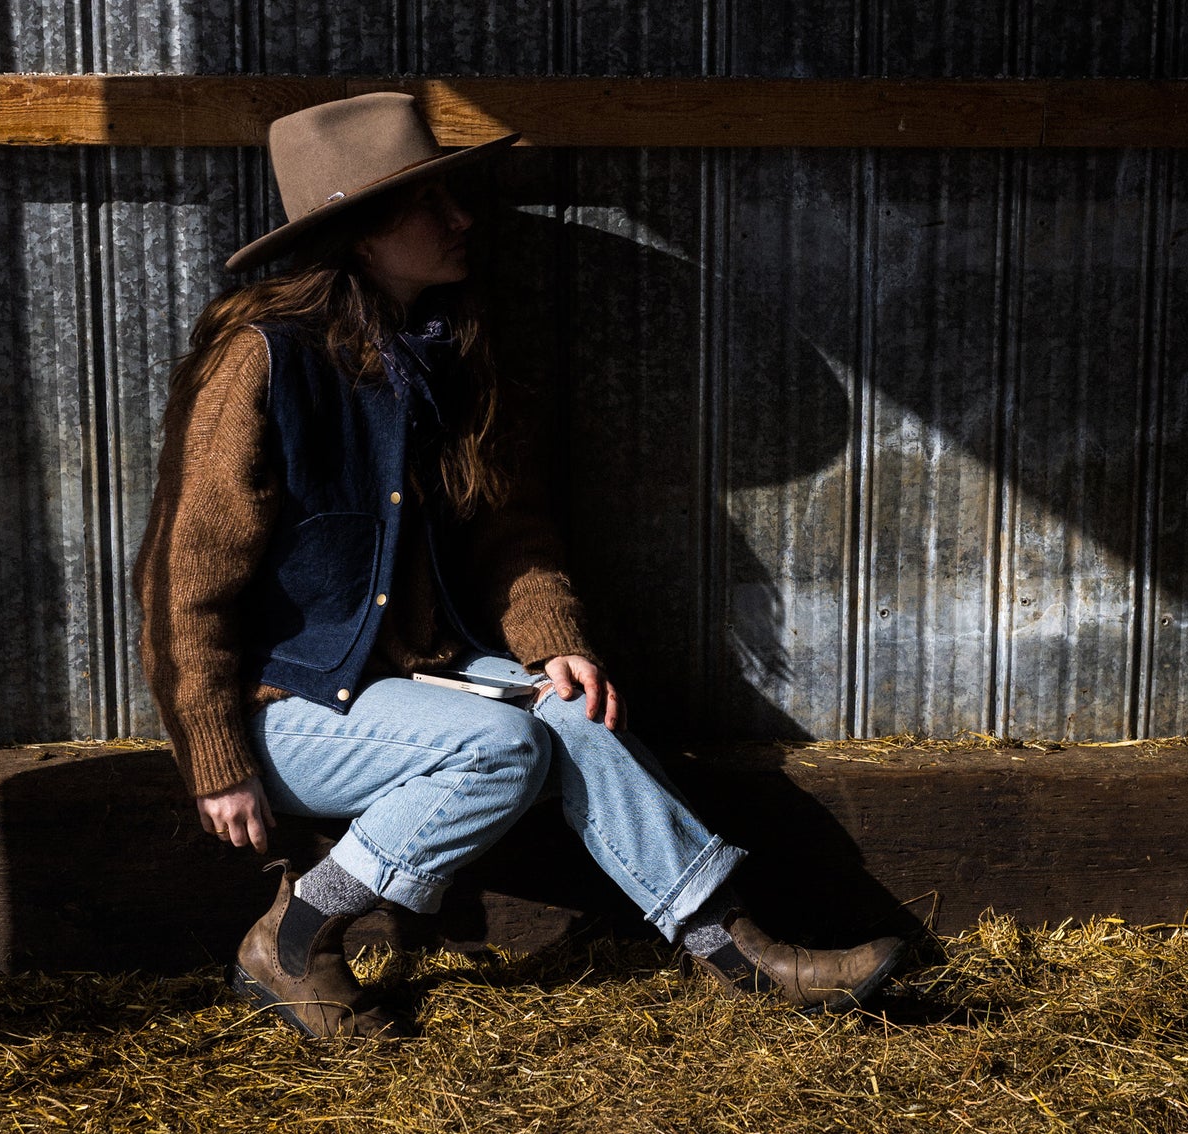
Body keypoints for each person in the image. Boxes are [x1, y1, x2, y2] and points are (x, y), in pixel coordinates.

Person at [134, 94, 901, 1041]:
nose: (463, 221)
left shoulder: (451, 352)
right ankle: (295, 933)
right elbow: (185, 581)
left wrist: (553, 644)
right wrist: (214, 757)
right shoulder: (261, 365)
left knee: (573, 716)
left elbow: (513, 533)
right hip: (287, 710)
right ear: (360, 234)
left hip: (418, 681)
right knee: (501, 749)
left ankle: (734, 951)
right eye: (431, 206)